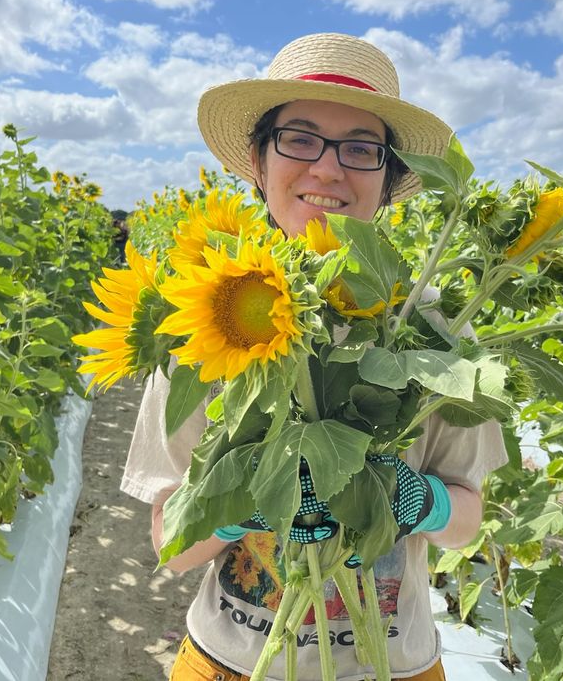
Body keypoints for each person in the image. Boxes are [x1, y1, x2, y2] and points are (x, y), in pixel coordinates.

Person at [120, 33, 507, 681]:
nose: (328, 170)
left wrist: (415, 501)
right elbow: (171, 543)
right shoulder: (198, 320)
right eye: (299, 138)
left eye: (361, 149)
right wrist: (246, 497)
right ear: (257, 161)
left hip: (395, 665)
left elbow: (467, 521)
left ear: (388, 179)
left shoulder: (431, 329)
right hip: (229, 662)